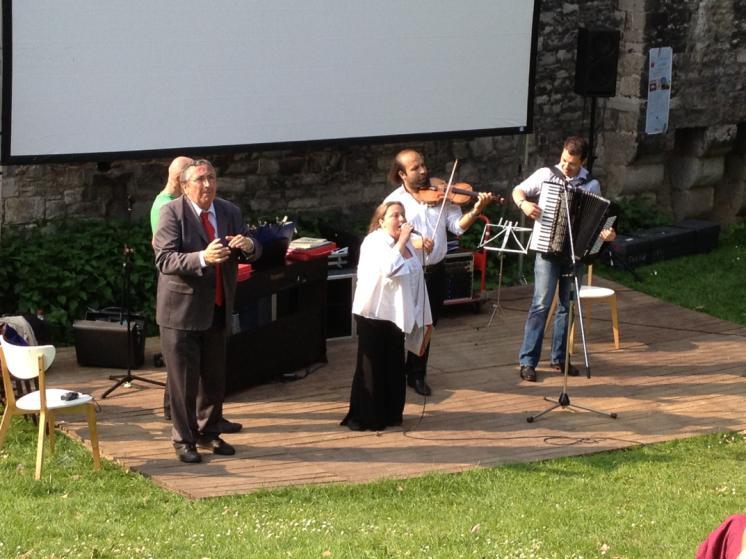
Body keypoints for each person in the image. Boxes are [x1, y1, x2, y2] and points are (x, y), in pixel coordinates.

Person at [154, 159, 261, 463]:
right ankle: (184, 439)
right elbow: (165, 260)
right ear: (186, 186)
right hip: (181, 312)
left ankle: (209, 431)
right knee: (184, 382)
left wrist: (249, 245)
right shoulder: (171, 213)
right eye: (199, 180)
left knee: (213, 378)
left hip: (217, 306)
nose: (207, 185)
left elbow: (254, 249)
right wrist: (202, 257)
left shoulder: (229, 211)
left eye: (211, 178)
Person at [384, 149, 494, 396]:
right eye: (415, 168)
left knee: (426, 326)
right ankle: (393, 372)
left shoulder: (444, 195)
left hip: (435, 270)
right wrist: (414, 242)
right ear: (402, 174)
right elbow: (387, 237)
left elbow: (457, 227)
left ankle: (416, 374)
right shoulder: (393, 203)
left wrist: (476, 210)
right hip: (407, 273)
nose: (423, 171)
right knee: (400, 324)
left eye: (423, 165)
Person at [512, 136, 616, 382]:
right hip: (547, 250)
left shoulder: (591, 185)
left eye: (571, 163)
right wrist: (524, 204)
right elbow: (518, 190)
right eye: (563, 160)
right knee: (540, 304)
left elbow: (597, 224)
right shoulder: (546, 175)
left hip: (575, 255)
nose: (565, 167)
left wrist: (606, 234)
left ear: (583, 161)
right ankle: (528, 361)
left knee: (566, 307)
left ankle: (560, 358)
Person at [341, 201, 432, 431]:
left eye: (403, 215)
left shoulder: (406, 244)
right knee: (372, 366)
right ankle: (367, 416)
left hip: (396, 314)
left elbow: (415, 276)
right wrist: (402, 241)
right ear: (381, 221)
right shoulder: (375, 241)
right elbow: (390, 268)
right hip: (373, 313)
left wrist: (422, 314)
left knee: (393, 365)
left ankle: (391, 413)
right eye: (395, 215)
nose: (401, 220)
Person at [150, 156, 193, 421]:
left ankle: (174, 409)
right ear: (180, 180)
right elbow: (165, 250)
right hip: (175, 286)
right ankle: (172, 410)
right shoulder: (166, 207)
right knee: (176, 353)